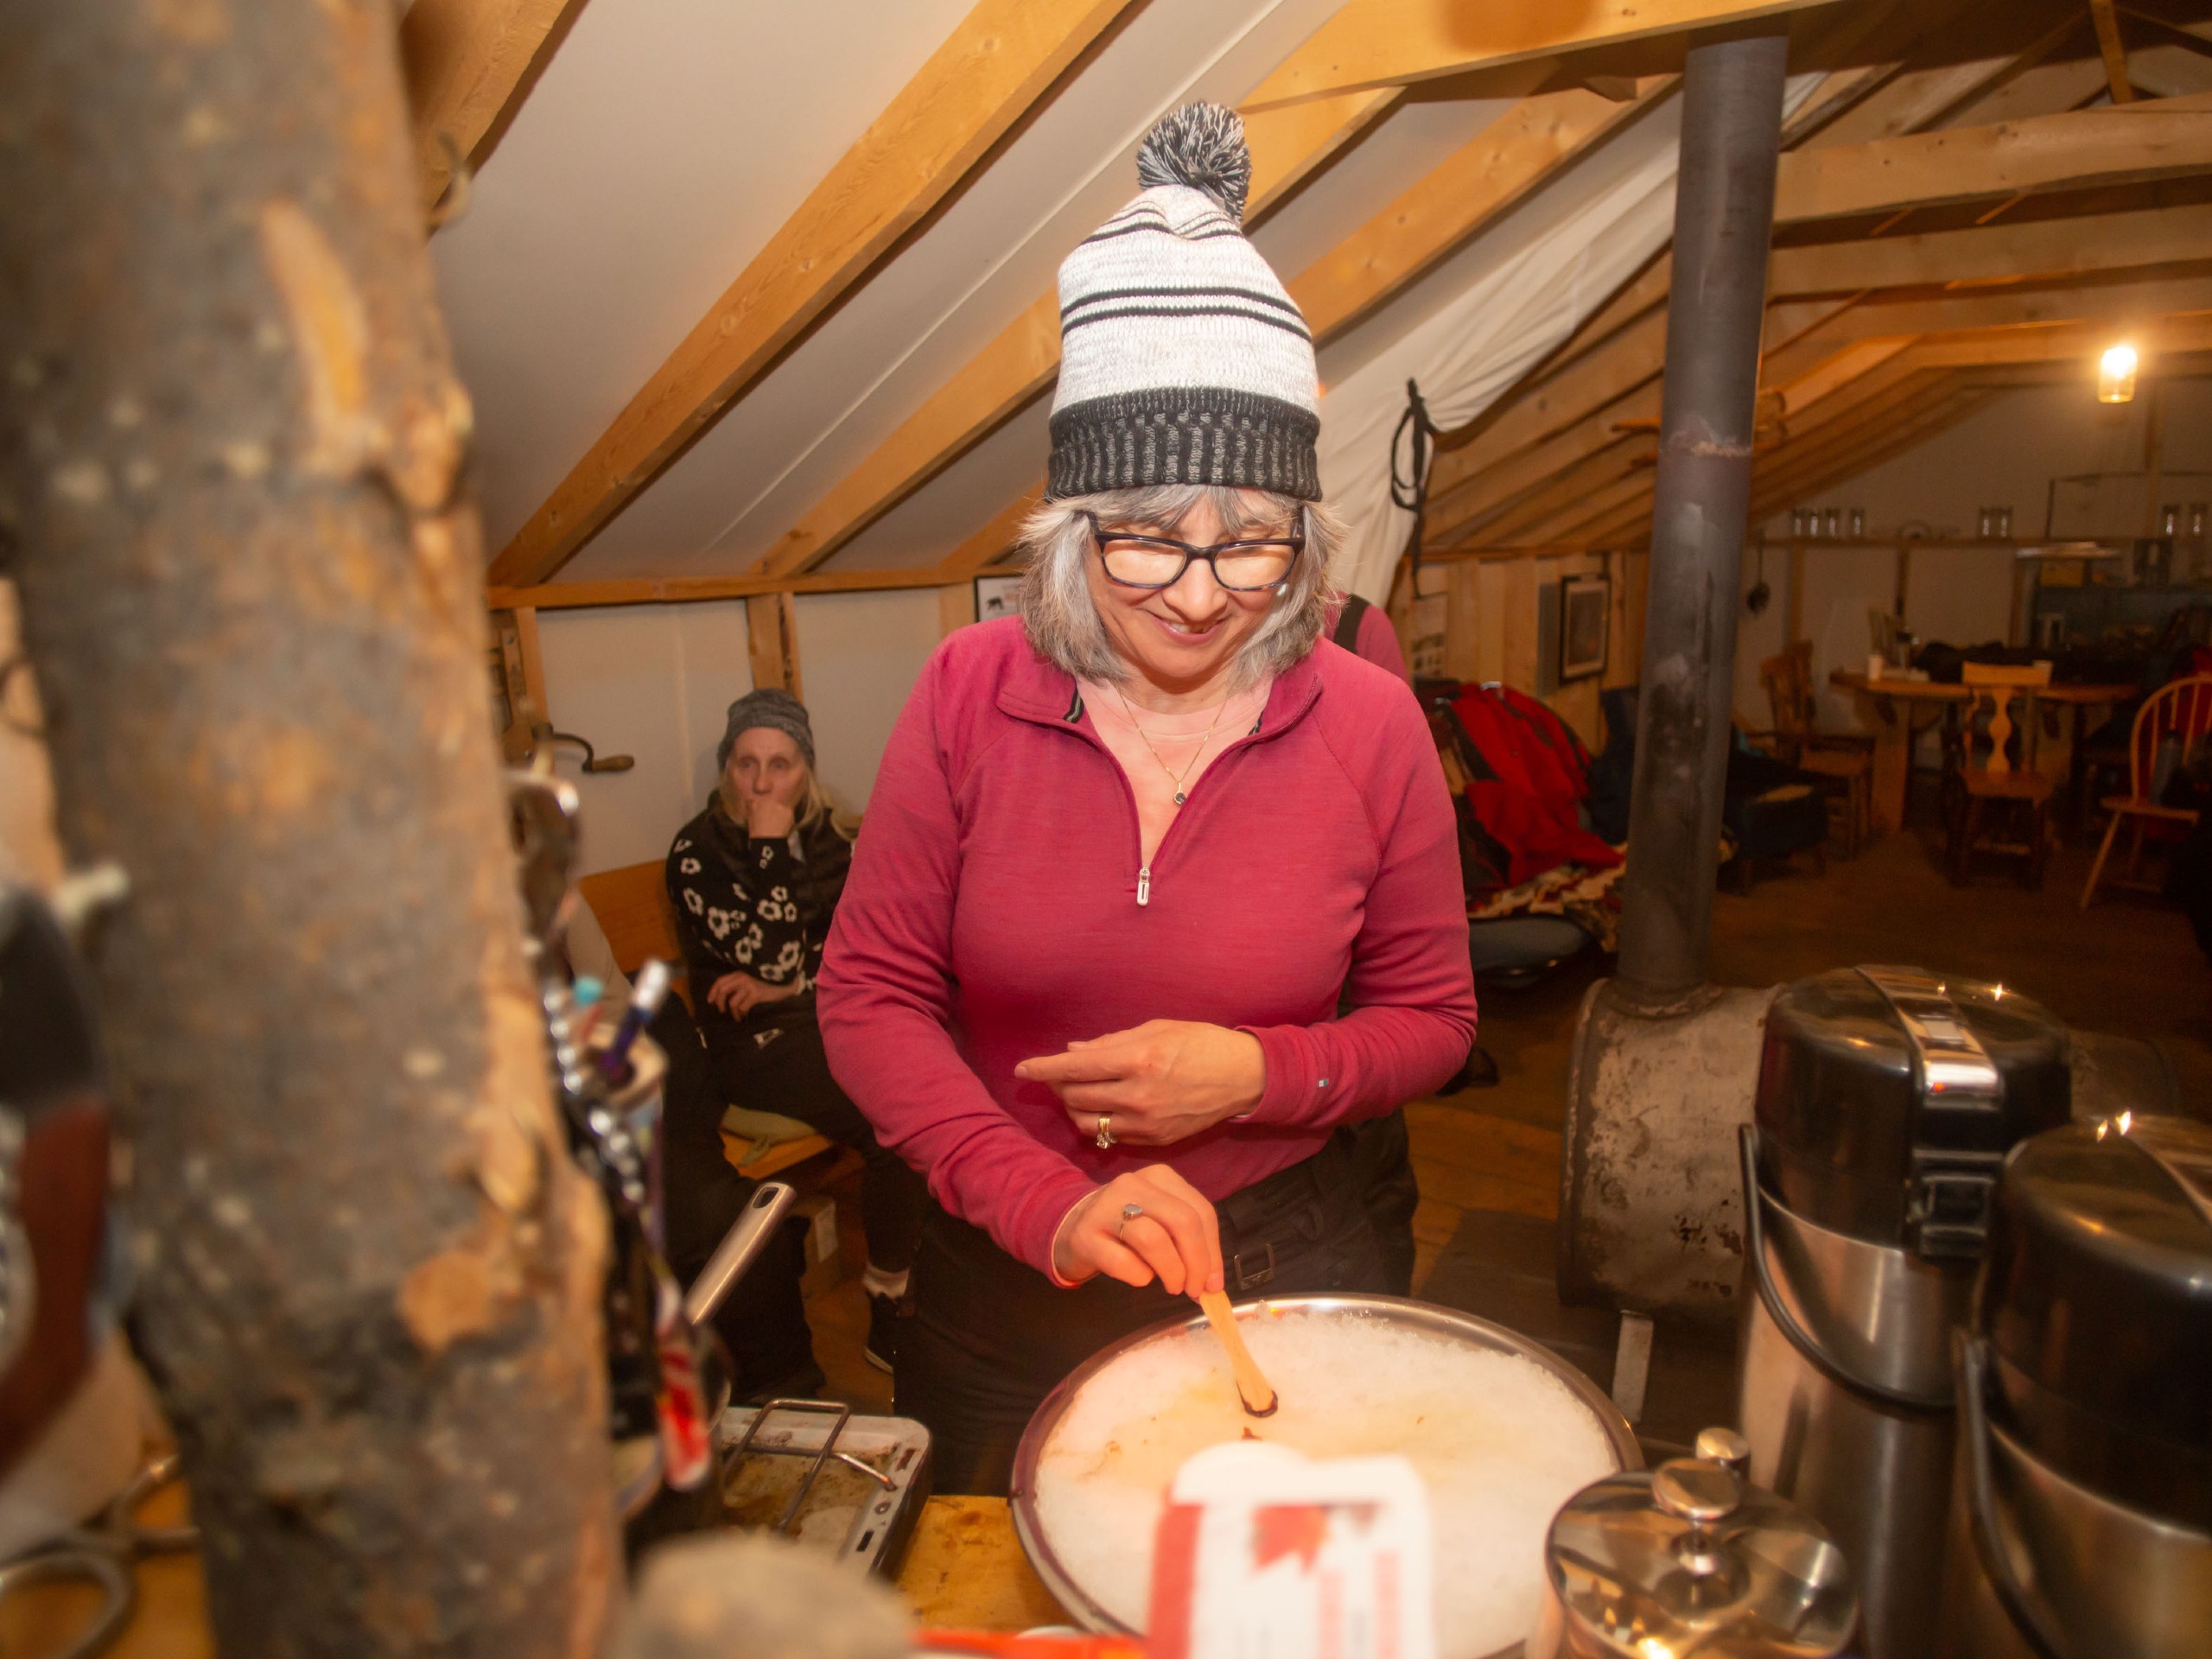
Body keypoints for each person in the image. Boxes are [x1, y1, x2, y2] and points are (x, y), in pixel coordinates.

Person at [817, 105, 1478, 1493]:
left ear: (1306, 531)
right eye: (1142, 541)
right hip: (1005, 1273)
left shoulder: (1366, 717)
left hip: (1289, 1249)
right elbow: (868, 995)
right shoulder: (967, 690)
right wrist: (1044, 1203)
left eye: (1250, 542)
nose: (1197, 593)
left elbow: (1435, 1018)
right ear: (1068, 531)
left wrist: (1262, 1075)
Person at [666, 689, 926, 1372]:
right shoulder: (698, 852)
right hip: (747, 1042)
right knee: (889, 1128)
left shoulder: (831, 837)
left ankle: (933, 1276)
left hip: (822, 1010)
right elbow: (774, 955)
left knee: (937, 1075)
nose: (761, 782)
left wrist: (790, 986)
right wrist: (768, 849)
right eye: (745, 763)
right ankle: (886, 1303)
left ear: (805, 768)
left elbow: (860, 948)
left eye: (779, 764)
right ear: (726, 767)